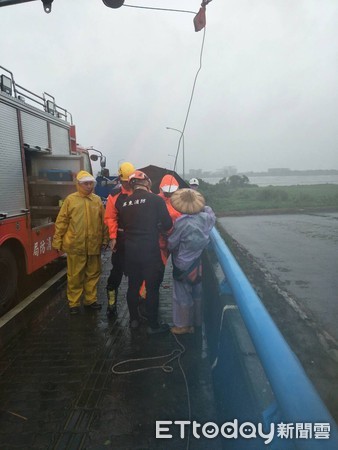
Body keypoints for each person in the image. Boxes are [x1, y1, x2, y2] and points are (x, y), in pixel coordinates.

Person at [119, 170, 173, 334]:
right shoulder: (156, 200)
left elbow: (124, 226)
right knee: (152, 288)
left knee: (133, 287)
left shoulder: (124, 203)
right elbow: (168, 225)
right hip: (150, 250)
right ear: (147, 182)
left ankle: (134, 320)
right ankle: (153, 325)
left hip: (131, 251)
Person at [52, 170, 109, 315]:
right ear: (78, 184)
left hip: (93, 245)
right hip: (75, 245)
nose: (89, 186)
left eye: (91, 183)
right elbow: (62, 222)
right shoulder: (70, 200)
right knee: (75, 276)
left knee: (93, 274)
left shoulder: (97, 200)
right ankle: (74, 303)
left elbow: (104, 223)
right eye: (85, 183)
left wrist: (105, 240)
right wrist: (57, 241)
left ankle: (90, 300)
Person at [168, 188, 216, 334]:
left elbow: (171, 243)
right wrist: (204, 207)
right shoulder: (206, 218)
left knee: (181, 295)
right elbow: (211, 213)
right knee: (197, 292)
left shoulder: (181, 223)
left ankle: (183, 326)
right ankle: (197, 322)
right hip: (198, 262)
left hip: (182, 264)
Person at [104, 161, 135, 316]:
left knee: (138, 273)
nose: (128, 185)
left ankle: (138, 305)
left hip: (137, 239)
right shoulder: (115, 195)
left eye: (130, 181)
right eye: (124, 182)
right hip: (121, 239)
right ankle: (111, 303)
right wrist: (113, 237)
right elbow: (110, 218)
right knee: (116, 271)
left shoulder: (143, 192)